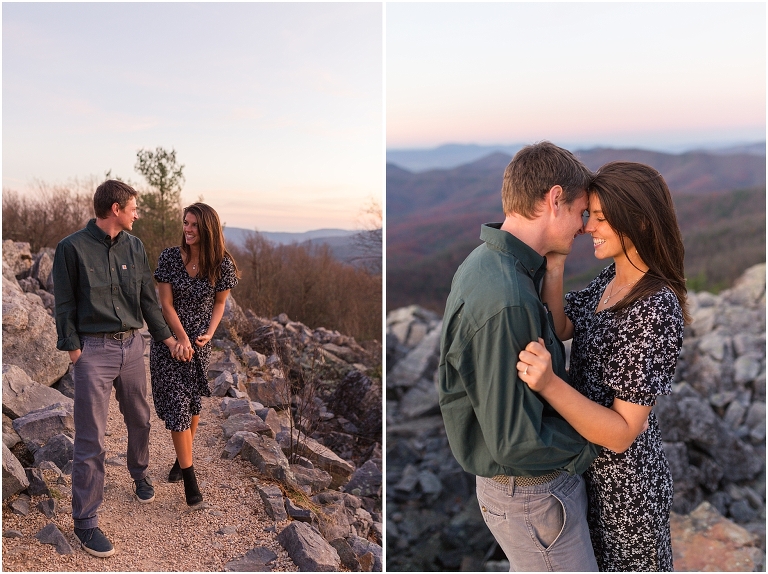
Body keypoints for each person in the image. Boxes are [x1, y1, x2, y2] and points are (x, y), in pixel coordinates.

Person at [438, 141, 602, 571]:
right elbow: (515, 442)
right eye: (581, 212)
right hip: (532, 496)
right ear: (554, 199)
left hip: (521, 495)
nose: (584, 226)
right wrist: (599, 438)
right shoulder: (508, 298)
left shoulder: (487, 262)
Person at [517, 161, 688, 571]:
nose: (588, 226)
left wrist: (550, 384)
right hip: (585, 473)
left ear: (640, 222)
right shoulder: (612, 279)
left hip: (625, 496)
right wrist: (556, 263)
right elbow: (562, 325)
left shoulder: (655, 307)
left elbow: (623, 433)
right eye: (589, 215)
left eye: (601, 218)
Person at [53, 180, 187, 558]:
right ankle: (85, 522)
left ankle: (139, 474)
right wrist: (75, 352)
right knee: (91, 438)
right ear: (116, 209)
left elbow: (147, 300)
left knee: (140, 419)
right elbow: (64, 304)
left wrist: (167, 340)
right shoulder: (70, 248)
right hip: (93, 352)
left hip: (132, 346)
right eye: (133, 208)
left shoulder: (135, 246)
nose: (136, 214)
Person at [149, 202, 239, 507]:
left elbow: (220, 303)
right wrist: (180, 338)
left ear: (207, 229)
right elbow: (165, 304)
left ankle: (181, 459)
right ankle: (190, 480)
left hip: (199, 346)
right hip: (170, 342)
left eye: (194, 225)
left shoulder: (222, 264)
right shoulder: (169, 258)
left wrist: (210, 333)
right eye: (185, 223)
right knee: (177, 406)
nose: (187, 229)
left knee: (192, 404)